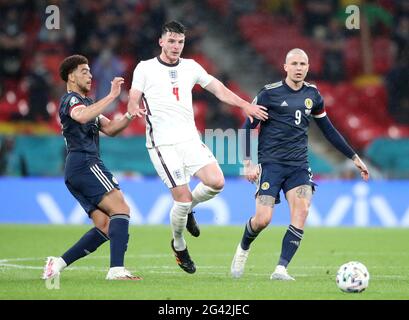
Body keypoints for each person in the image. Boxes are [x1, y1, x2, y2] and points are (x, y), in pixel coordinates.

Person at [127, 21, 268, 274]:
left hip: (189, 139)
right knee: (180, 200)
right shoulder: (145, 68)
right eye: (171, 41)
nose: (176, 46)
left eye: (180, 42)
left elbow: (219, 90)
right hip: (162, 144)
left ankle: (190, 208)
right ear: (161, 41)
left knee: (217, 181)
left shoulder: (191, 67)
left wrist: (245, 105)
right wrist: (132, 108)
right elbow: (133, 98)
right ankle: (179, 246)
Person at [230, 48, 369, 280]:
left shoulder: (313, 96)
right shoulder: (269, 94)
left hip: (298, 166)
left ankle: (281, 268)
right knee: (263, 219)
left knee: (302, 210)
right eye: (294, 64)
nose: (298, 68)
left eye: (303, 64)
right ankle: (244, 247)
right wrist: (247, 163)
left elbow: (329, 130)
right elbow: (247, 128)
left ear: (308, 67)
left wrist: (354, 157)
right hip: (271, 165)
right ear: (285, 67)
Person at [42, 54, 141, 281]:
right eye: (84, 71)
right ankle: (116, 270)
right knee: (121, 209)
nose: (90, 75)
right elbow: (82, 117)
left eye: (89, 70)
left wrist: (129, 114)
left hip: (76, 169)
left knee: (105, 226)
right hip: (86, 162)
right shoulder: (71, 101)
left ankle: (57, 263)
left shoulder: (87, 104)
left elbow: (112, 129)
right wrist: (112, 95)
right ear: (71, 76)